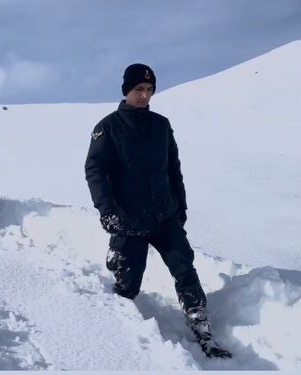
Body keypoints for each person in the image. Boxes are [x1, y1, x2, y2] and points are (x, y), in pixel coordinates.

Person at [84, 63, 231, 358]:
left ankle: (202, 329)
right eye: (139, 89)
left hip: (165, 216)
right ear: (127, 90)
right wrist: (107, 210)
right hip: (129, 220)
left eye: (150, 90)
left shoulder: (161, 125)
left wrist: (181, 207)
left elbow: (173, 169)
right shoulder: (108, 127)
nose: (145, 95)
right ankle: (119, 338)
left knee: (185, 268)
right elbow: (95, 170)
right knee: (128, 287)